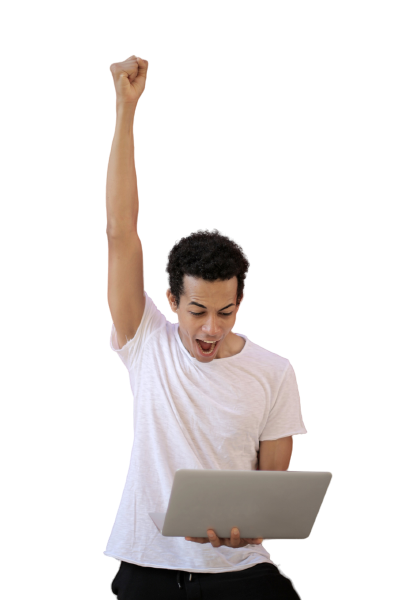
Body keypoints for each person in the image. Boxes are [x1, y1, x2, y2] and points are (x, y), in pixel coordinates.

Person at [104, 54, 305, 600]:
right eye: (197, 312)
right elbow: (121, 232)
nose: (211, 328)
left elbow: (274, 496)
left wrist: (252, 527)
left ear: (240, 303)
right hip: (147, 568)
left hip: (241, 572)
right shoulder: (146, 340)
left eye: (226, 312)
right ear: (171, 300)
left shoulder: (275, 372)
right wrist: (125, 107)